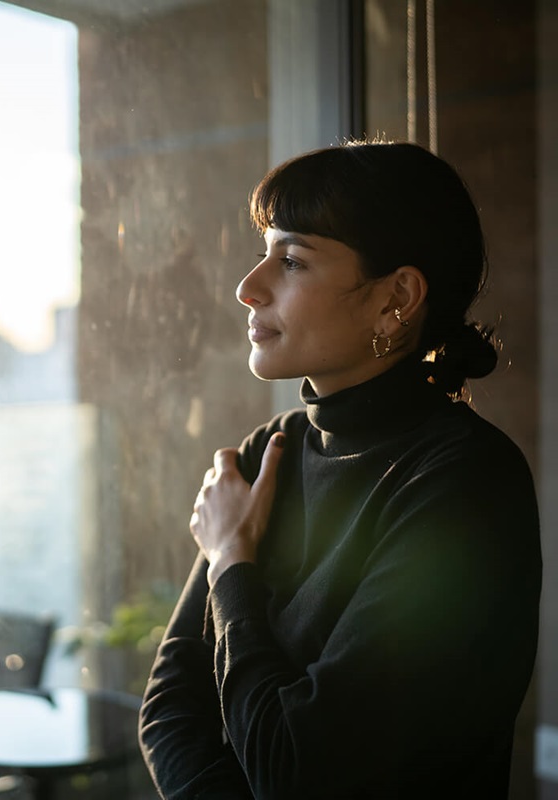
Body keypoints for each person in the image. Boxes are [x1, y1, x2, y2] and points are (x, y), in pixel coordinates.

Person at [137, 141, 542, 799]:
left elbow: (298, 774)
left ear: (396, 298)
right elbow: (169, 710)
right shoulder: (266, 451)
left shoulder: (466, 485)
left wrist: (232, 561)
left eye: (291, 260)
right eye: (264, 250)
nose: (248, 286)